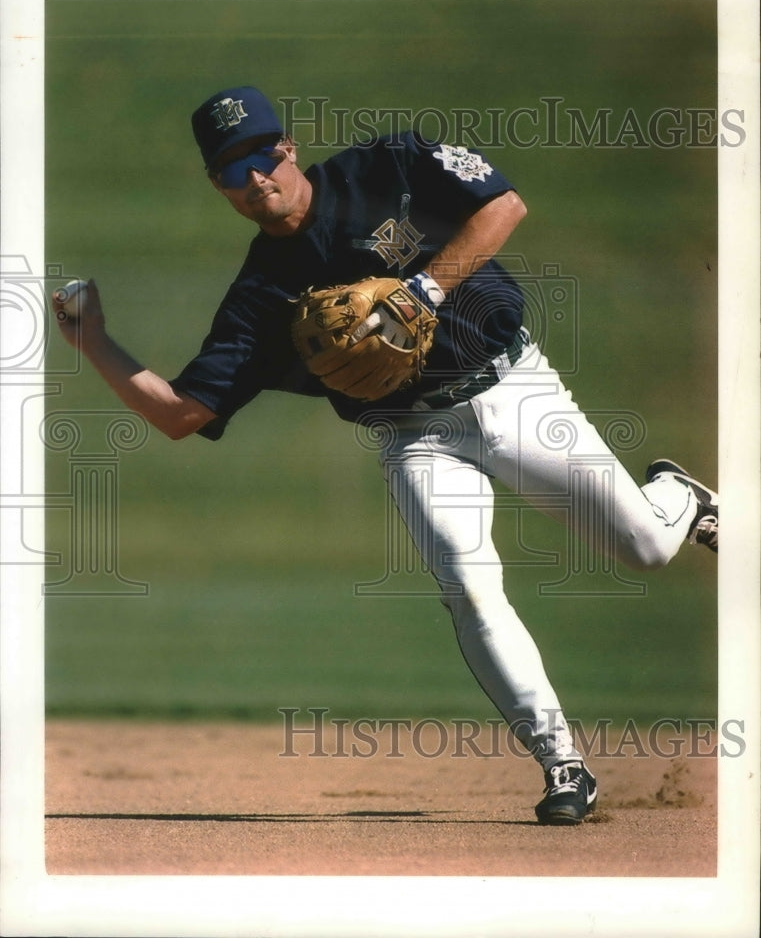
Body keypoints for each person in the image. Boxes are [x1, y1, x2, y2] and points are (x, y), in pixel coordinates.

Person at [54, 84, 718, 826]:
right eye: (231, 170)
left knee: (647, 549)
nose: (254, 181)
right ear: (216, 183)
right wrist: (91, 341)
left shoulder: (390, 164)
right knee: (465, 584)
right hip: (416, 436)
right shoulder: (259, 294)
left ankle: (676, 496)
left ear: (288, 148)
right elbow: (183, 414)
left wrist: (421, 291)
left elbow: (503, 206)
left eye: (260, 157)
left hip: (515, 392)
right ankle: (562, 763)